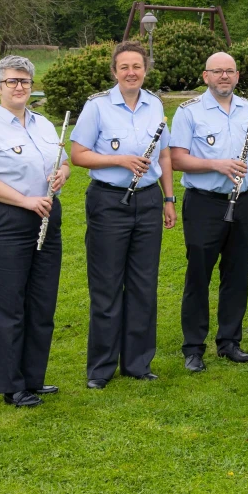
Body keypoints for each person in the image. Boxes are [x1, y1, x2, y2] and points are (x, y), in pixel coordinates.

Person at [0, 56, 71, 407]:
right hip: (4, 222)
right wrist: (24, 201)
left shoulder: (43, 124)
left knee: (41, 302)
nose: (20, 87)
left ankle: (32, 378)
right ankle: (11, 385)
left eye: (25, 81)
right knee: (8, 305)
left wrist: (63, 173)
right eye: (12, 81)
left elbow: (63, 162)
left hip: (45, 217)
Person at [69, 41, 175, 388]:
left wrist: (169, 198)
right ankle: (101, 369)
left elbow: (164, 156)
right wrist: (119, 160)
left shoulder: (154, 104)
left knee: (144, 284)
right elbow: (78, 154)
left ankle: (138, 364)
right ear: (114, 71)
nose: (131, 72)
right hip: (109, 201)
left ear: (146, 70)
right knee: (107, 285)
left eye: (137, 66)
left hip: (148, 200)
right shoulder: (97, 106)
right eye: (125, 67)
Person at [168, 52, 248, 372]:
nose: (224, 76)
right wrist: (217, 164)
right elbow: (177, 159)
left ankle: (229, 342)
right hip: (204, 202)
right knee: (199, 275)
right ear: (206, 76)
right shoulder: (188, 112)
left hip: (243, 201)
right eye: (217, 71)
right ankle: (193, 347)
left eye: (229, 71)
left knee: (236, 274)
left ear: (237, 76)